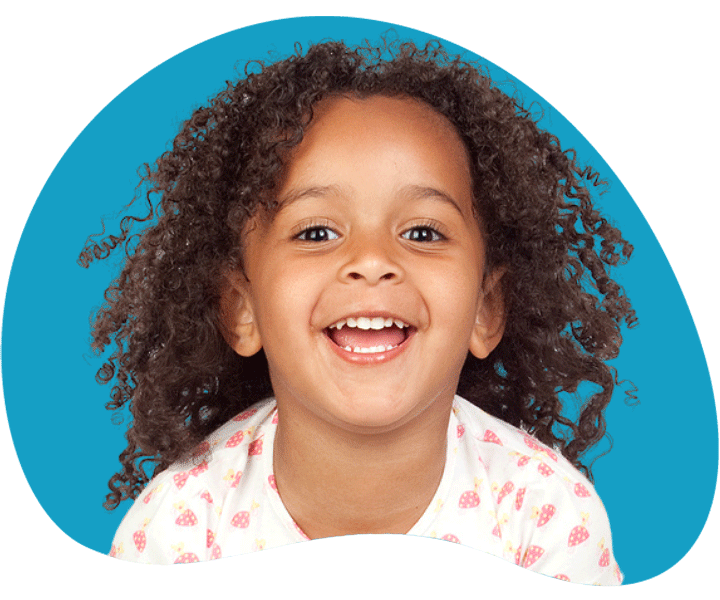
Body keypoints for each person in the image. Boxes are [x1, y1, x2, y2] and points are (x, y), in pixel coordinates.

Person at [85, 37, 635, 584]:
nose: (372, 261)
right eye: (317, 232)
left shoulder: (545, 518)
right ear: (241, 308)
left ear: (485, 310)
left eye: (422, 232)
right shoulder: (181, 532)